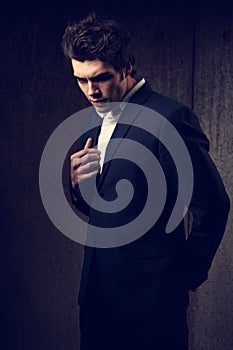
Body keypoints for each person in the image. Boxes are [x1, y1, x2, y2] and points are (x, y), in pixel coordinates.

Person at [61, 12, 230, 350]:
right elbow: (110, 208)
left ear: (127, 67)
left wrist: (180, 278)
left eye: (101, 78)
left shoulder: (170, 118)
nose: (91, 91)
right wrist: (79, 188)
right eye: (81, 80)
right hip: (97, 302)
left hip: (150, 310)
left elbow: (213, 206)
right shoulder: (96, 123)